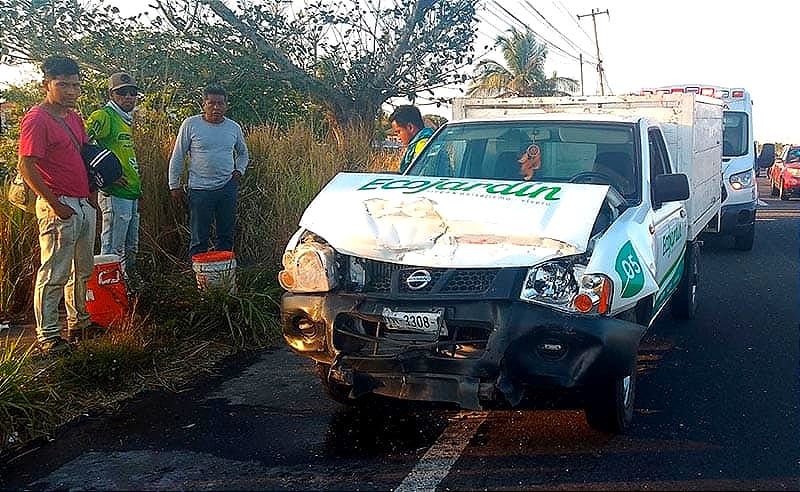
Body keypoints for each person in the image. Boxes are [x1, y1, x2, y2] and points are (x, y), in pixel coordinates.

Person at [18, 56, 98, 355]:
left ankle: (80, 322)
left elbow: (83, 155)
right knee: (54, 272)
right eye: (62, 85)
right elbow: (27, 165)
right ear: (46, 85)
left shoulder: (73, 117)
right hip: (59, 204)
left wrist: (89, 196)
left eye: (75, 85)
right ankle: (49, 335)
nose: (71, 91)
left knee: (83, 270)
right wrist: (54, 204)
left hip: (81, 202)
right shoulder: (37, 119)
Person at [168, 85, 249, 258]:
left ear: (226, 105)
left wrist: (239, 171)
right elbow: (178, 155)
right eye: (211, 103)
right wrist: (173, 185)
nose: (216, 107)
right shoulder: (191, 124)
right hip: (199, 189)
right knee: (199, 237)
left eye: (220, 103)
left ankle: (223, 272)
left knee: (226, 235)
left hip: (227, 187)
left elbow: (243, 153)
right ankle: (199, 275)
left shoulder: (233, 127)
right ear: (203, 104)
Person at [86, 72, 142, 274]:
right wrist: (104, 178)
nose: (128, 97)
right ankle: (108, 291)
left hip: (132, 191)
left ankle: (127, 285)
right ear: (111, 94)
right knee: (112, 248)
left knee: (131, 247)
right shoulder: (104, 116)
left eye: (132, 92)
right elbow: (82, 145)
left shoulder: (124, 118)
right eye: (122, 93)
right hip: (115, 192)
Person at [389, 105, 434, 173]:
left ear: (410, 127)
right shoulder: (431, 141)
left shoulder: (423, 146)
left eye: (398, 132)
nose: (398, 138)